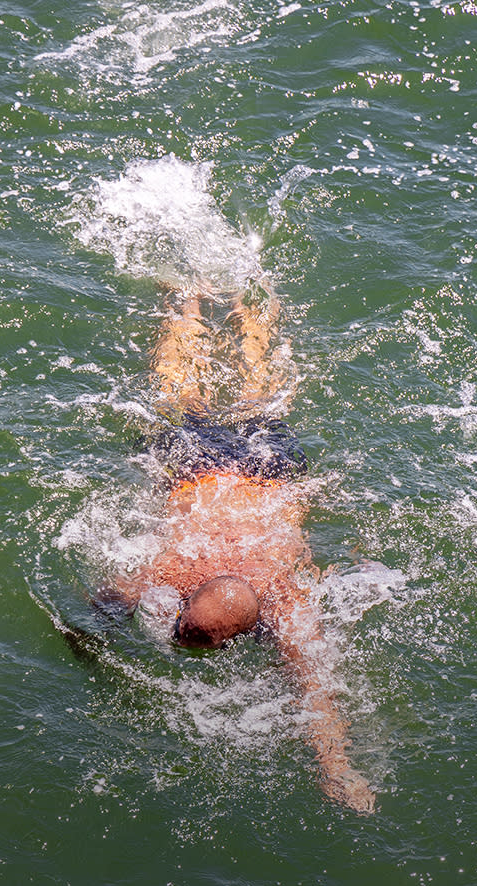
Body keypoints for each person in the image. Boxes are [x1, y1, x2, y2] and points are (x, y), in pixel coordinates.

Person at [98, 286, 376, 814]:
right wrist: (336, 768)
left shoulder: (192, 569)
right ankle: (236, 308)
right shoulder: (272, 595)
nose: (176, 631)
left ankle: (190, 304)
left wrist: (93, 635)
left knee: (232, 397)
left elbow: (108, 599)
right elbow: (315, 691)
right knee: (204, 395)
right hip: (225, 470)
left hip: (227, 471)